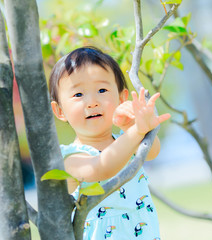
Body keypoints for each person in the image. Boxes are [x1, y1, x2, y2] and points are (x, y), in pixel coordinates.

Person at [49, 46, 170, 240]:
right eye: (78, 94)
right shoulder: (70, 157)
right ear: (60, 111)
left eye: (102, 90)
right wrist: (136, 131)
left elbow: (152, 151)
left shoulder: (125, 139)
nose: (92, 102)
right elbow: (102, 168)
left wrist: (135, 125)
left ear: (121, 98)